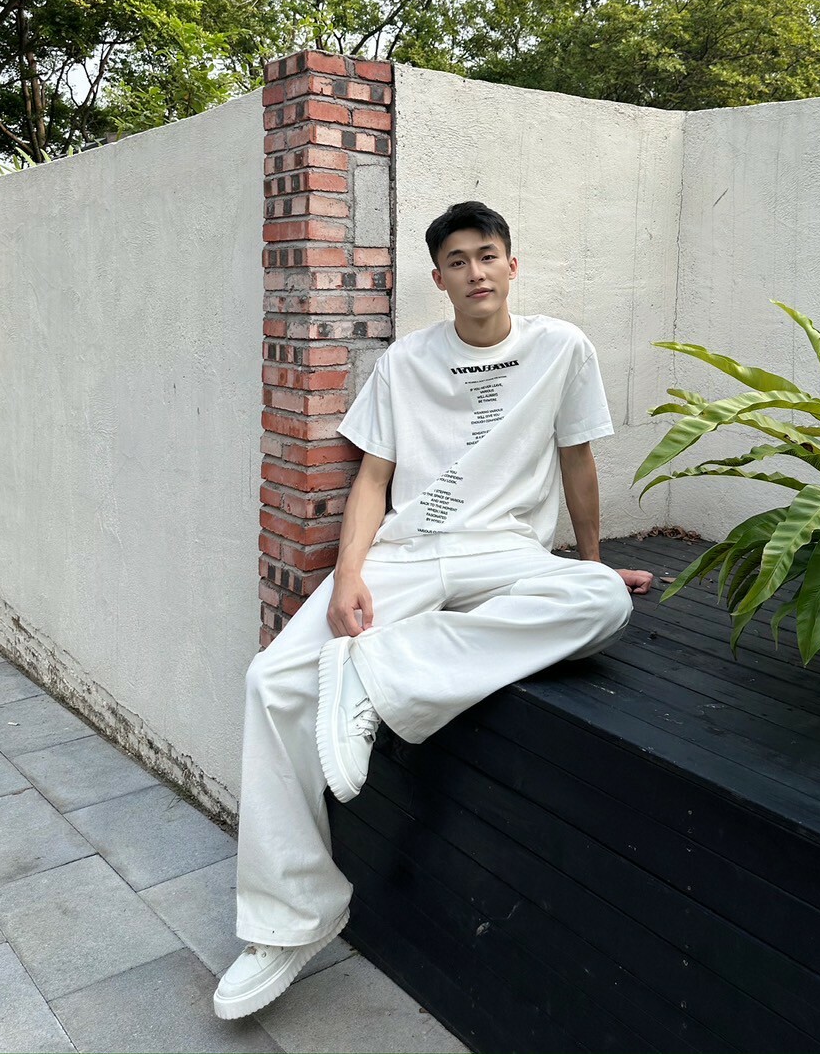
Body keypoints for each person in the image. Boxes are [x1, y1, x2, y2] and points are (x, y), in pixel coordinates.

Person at [213, 200, 653, 1020]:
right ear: (439, 278)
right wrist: (349, 573)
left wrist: (592, 562)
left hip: (506, 552)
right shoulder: (405, 362)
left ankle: (376, 672)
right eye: (457, 260)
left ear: (512, 265)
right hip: (408, 554)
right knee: (270, 680)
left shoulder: (561, 348)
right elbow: (372, 481)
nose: (475, 272)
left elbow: (578, 461)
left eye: (487, 255)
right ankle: (288, 918)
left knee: (601, 601)